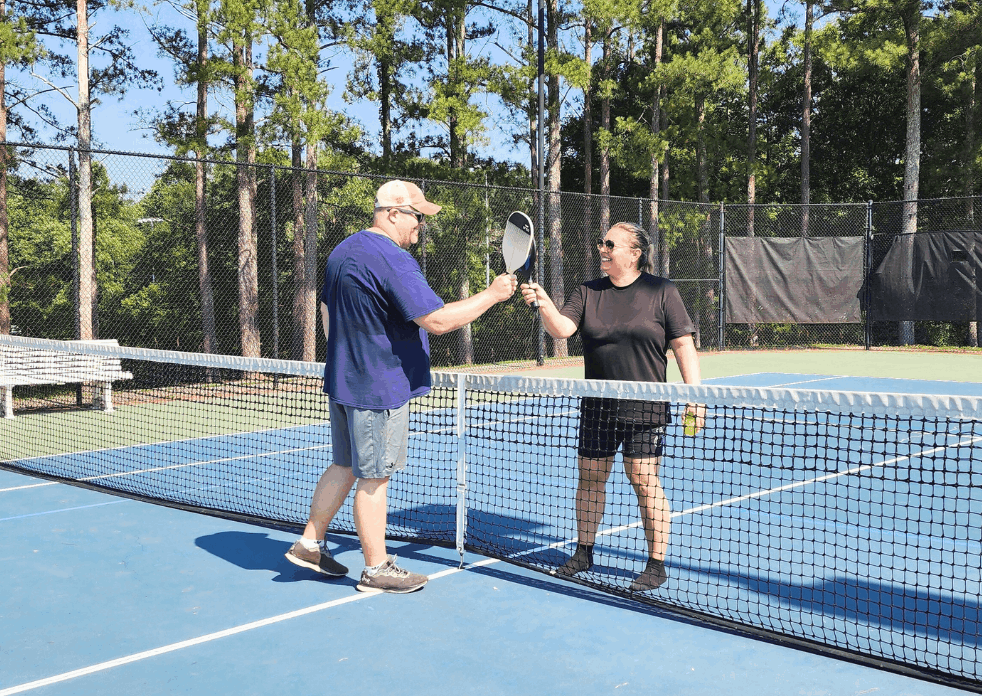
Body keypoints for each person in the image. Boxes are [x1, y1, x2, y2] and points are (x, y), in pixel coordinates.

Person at [286, 180, 517, 594]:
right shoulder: (392, 259)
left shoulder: (344, 250)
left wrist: (350, 350)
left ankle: (309, 543)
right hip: (378, 388)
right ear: (393, 212)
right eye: (417, 216)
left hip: (344, 379)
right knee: (374, 479)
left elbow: (325, 312)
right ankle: (376, 569)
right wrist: (492, 295)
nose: (420, 225)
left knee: (344, 466)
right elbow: (438, 320)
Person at [519, 222, 704, 592]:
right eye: (601, 242)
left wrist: (695, 398)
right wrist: (543, 302)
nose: (602, 248)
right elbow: (561, 330)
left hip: (646, 408)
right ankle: (583, 552)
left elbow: (683, 345)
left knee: (643, 480)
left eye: (610, 244)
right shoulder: (588, 292)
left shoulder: (662, 291)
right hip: (598, 409)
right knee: (589, 479)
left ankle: (656, 564)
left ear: (634, 253)